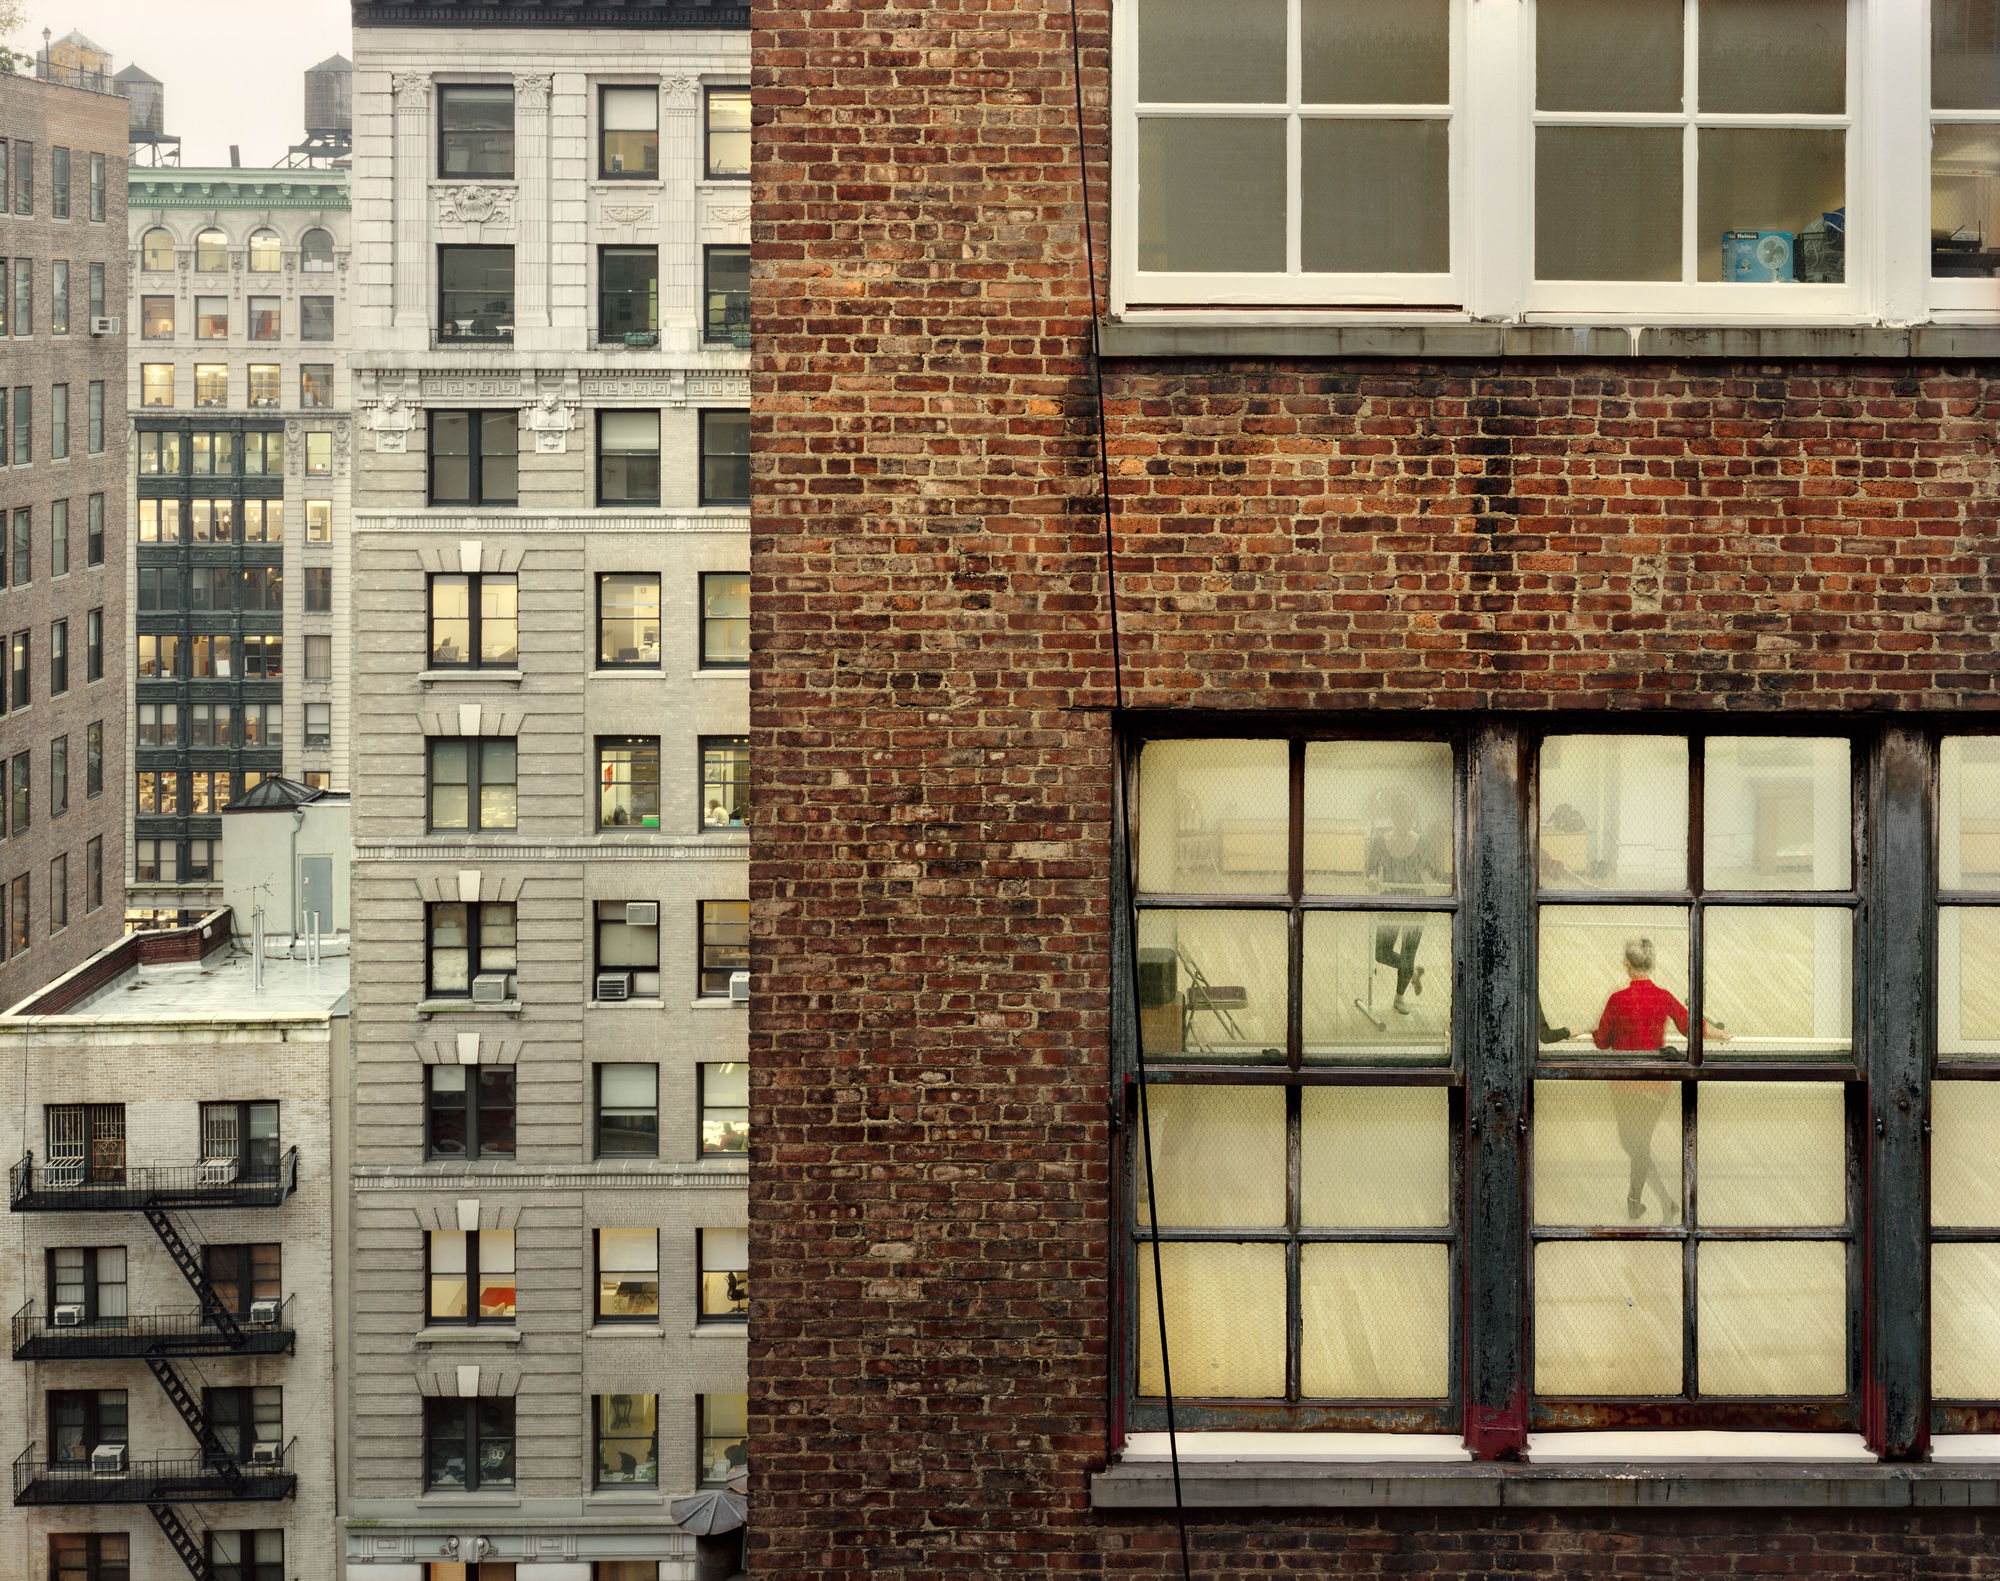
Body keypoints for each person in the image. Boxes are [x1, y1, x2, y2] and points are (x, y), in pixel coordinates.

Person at [1591, 937, 1727, 1220]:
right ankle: (1653, 1201)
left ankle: (1640, 1201)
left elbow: (1602, 1042)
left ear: (1627, 964)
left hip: (1626, 1086)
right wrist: (1720, 1034)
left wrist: (1589, 1031)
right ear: (1650, 964)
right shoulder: (1662, 996)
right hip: (1656, 1085)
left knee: (1634, 1144)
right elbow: (1690, 1025)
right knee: (1638, 1144)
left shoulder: (1617, 1000)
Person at [1366, 792, 1434, 1016]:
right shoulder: (1380, 841)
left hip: (1416, 902)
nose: (1404, 819)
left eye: (1408, 815)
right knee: (1381, 953)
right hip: (1390, 901)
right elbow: (1371, 870)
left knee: (1407, 953)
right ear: (1393, 816)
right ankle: (1413, 973)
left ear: (1412, 816)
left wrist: (1432, 882)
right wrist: (1373, 880)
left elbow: (1430, 871)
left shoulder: (1422, 841)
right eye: (1399, 815)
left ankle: (1399, 997)